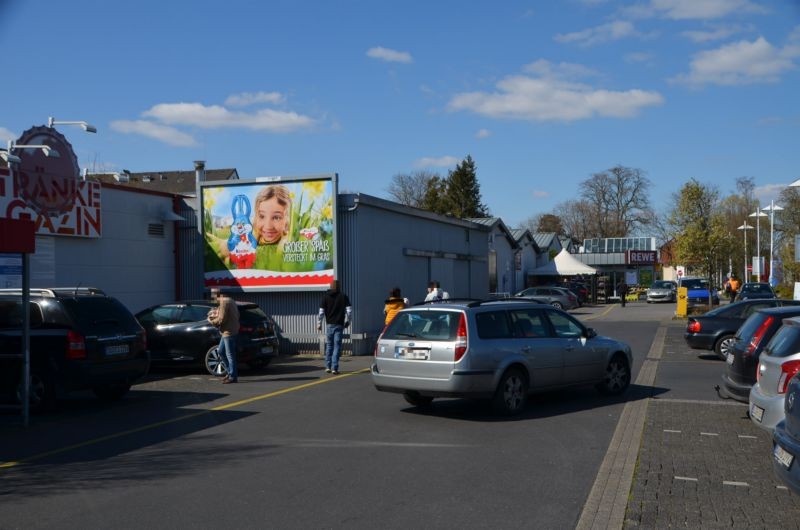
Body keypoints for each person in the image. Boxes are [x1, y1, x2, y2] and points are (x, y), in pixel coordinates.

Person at [317, 280, 352, 374]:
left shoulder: (325, 297)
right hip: (339, 325)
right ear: (339, 287)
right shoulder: (343, 296)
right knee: (337, 346)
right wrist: (348, 321)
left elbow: (321, 312)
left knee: (329, 345)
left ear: (330, 286)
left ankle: (328, 366)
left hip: (329, 325)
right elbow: (349, 311)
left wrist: (319, 323)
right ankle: (334, 368)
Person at [207, 288, 240, 383]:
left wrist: (211, 320)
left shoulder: (224, 302)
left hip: (228, 332)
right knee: (221, 352)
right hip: (231, 330)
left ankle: (233, 377)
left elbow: (222, 319)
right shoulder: (231, 300)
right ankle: (230, 373)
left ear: (217, 295)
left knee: (230, 355)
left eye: (213, 297)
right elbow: (237, 315)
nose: (214, 300)